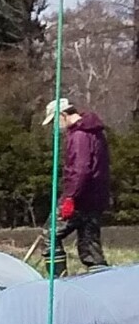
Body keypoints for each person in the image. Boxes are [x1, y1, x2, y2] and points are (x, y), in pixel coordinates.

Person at [46, 99, 112, 274]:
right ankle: (103, 281)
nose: (55, 126)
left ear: (63, 115)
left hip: (79, 198)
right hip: (95, 197)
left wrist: (70, 197)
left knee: (50, 235)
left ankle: (58, 281)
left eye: (54, 121)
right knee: (90, 246)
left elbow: (81, 169)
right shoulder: (95, 132)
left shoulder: (79, 135)